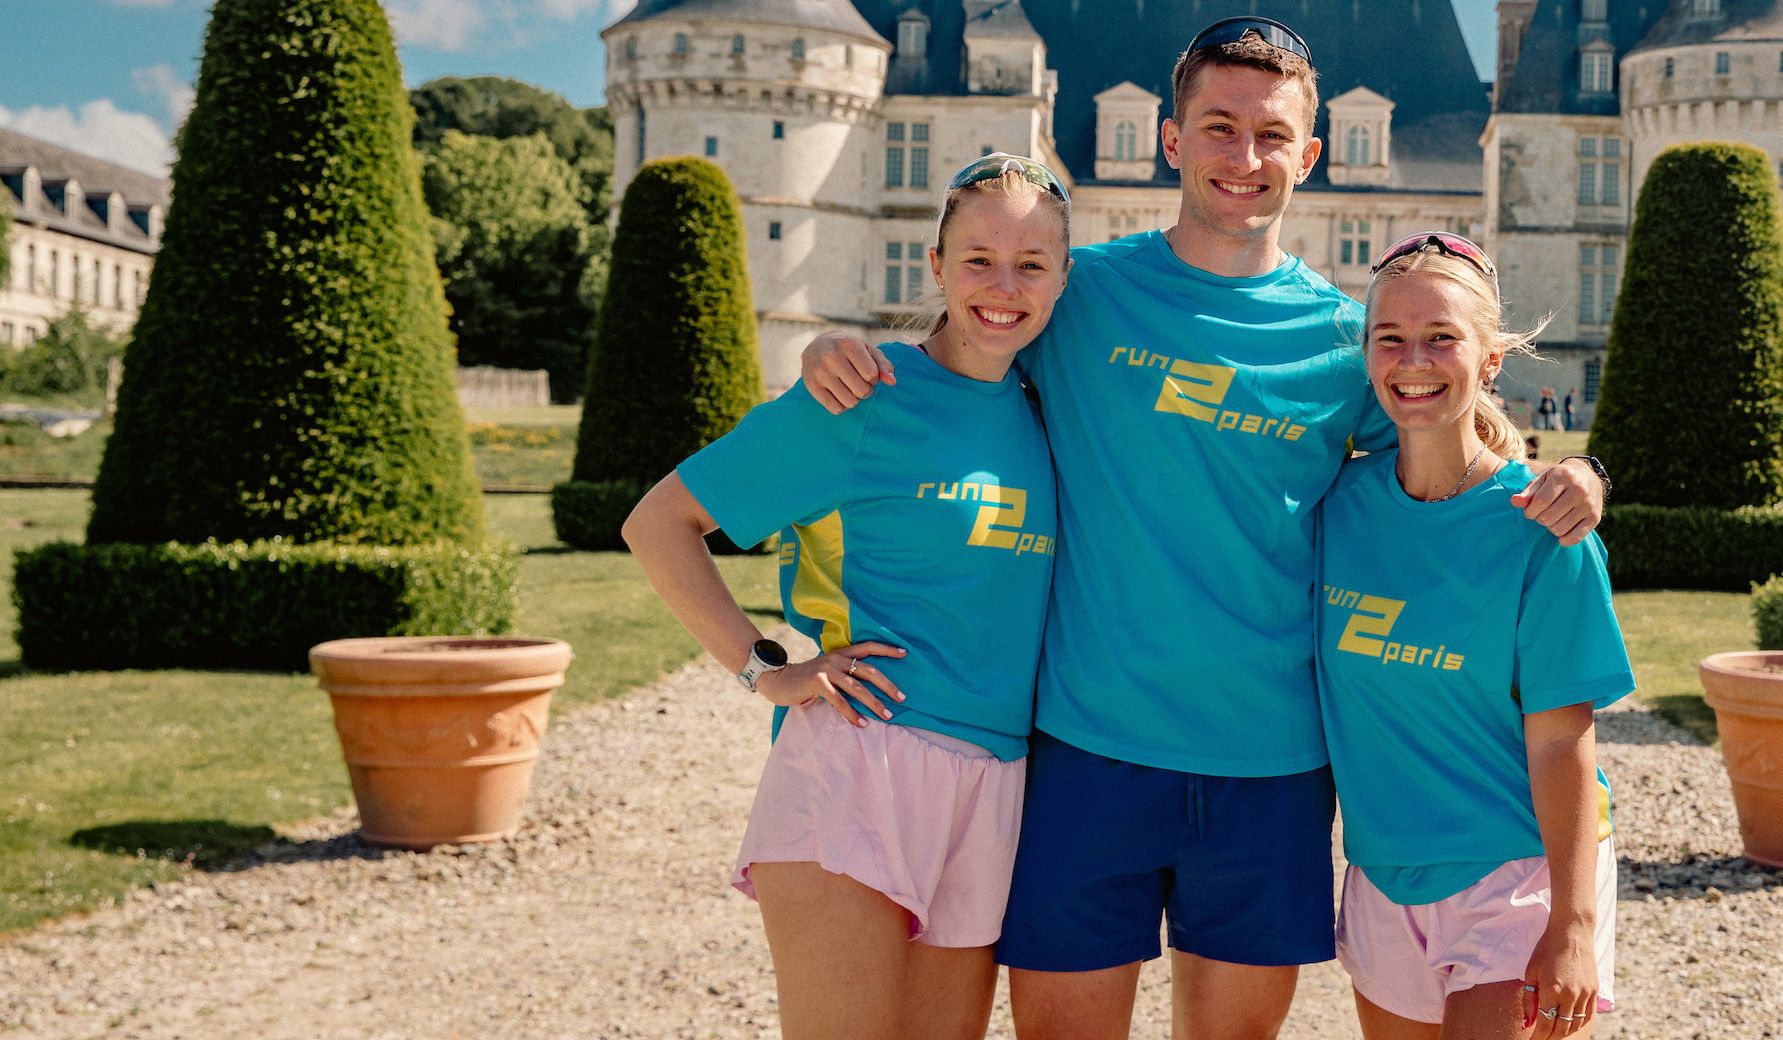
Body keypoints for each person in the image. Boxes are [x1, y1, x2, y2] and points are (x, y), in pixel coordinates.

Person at [800, 18, 1607, 1040]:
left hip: (1268, 766)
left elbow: (1447, 425)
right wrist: (839, 346)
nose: (1244, 157)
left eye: (1271, 136)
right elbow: (968, 337)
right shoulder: (1084, 292)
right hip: (1088, 749)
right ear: (1172, 140)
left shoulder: (1337, 337)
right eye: (1218, 128)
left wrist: (1584, 469)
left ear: (1309, 156)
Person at [622, 153, 1071, 1040]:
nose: (1003, 286)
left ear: (1064, 278)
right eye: (977, 259)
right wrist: (762, 668)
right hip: (859, 769)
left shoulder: (1052, 405)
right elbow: (658, 523)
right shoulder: (862, 395)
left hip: (995, 783)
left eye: (1031, 264)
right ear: (934, 267)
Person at [1317, 232, 1630, 1039]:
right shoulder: (1335, 506)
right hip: (1383, 873)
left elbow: (1564, 741)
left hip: (1515, 874)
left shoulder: (1543, 526)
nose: (1411, 359)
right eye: (1389, 338)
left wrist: (1573, 926)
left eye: (1440, 337)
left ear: (1489, 360)